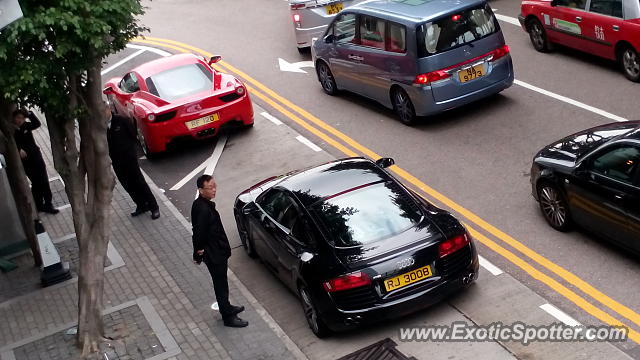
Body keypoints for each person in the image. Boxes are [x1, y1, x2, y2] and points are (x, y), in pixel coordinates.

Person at [192, 175, 248, 328]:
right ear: (201, 190)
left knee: (222, 283)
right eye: (210, 188)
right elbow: (199, 234)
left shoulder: (200, 204)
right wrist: (198, 253)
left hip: (217, 251)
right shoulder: (203, 209)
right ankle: (228, 317)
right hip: (215, 254)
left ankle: (227, 307)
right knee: (221, 285)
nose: (214, 190)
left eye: (214, 186)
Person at [105, 105, 160, 219]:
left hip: (129, 159)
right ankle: (141, 205)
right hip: (116, 161)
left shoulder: (121, 120)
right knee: (127, 185)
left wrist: (130, 152)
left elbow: (132, 135)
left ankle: (154, 207)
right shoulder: (101, 126)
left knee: (139, 182)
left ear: (108, 110)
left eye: (103, 111)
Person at [12, 109, 59, 214]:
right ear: (14, 118)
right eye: (18, 118)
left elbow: (37, 123)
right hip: (26, 162)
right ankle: (38, 204)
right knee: (36, 183)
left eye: (22, 118)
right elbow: (11, 142)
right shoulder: (12, 130)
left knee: (44, 181)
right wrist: (19, 149)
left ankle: (48, 203)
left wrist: (29, 113)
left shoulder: (26, 126)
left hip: (36, 157)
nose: (20, 120)